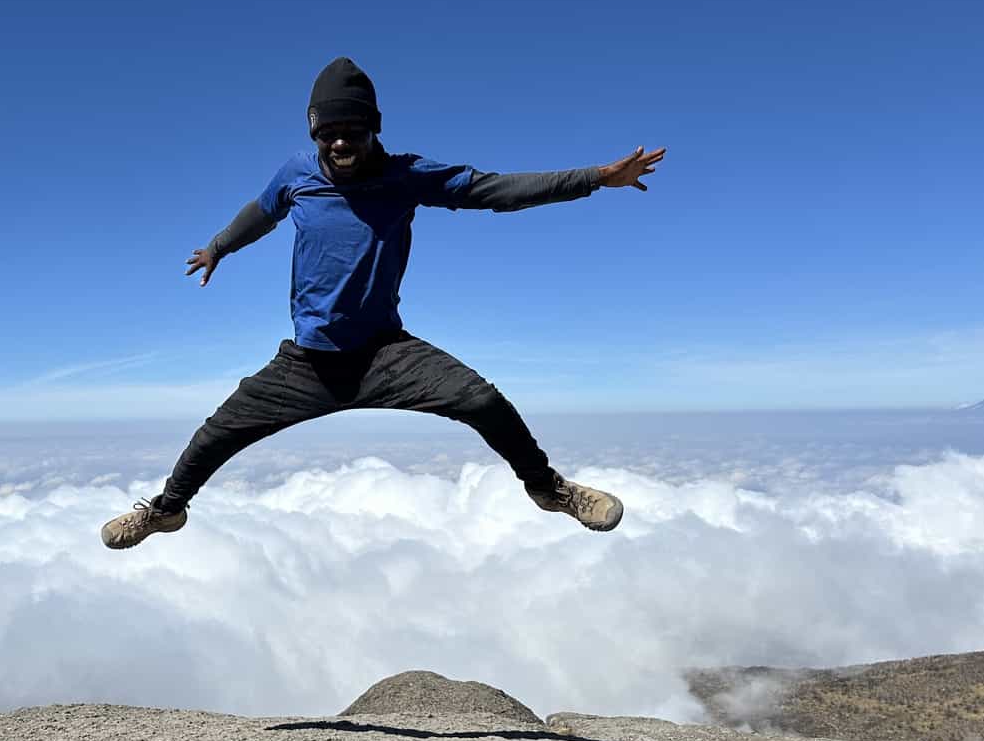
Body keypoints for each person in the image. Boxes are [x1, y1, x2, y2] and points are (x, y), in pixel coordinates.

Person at [102, 57, 665, 549]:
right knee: (217, 434)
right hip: (308, 363)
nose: (340, 143)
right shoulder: (296, 174)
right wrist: (219, 246)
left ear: (373, 128)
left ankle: (549, 490)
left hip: (385, 354)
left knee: (482, 402)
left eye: (353, 130)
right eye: (329, 133)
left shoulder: (405, 176)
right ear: (314, 133)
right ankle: (167, 509)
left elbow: (496, 191)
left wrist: (595, 178)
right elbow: (262, 210)